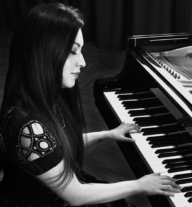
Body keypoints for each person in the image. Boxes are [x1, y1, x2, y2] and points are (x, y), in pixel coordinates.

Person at [0, 3, 180, 207]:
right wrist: (139, 185)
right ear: (43, 52)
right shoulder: (29, 127)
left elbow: (58, 148)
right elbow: (76, 195)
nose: (83, 62)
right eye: (73, 51)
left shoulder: (45, 96)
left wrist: (107, 134)